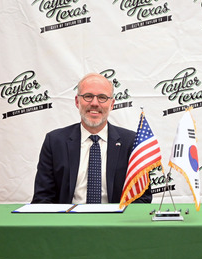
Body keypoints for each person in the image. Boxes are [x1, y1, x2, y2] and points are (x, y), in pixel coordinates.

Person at [32, 73, 152, 204]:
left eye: (102, 97)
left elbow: (142, 198)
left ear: (112, 104)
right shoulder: (54, 141)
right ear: (77, 101)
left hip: (115, 222)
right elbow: (43, 198)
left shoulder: (132, 142)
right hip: (68, 221)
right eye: (88, 96)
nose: (95, 103)